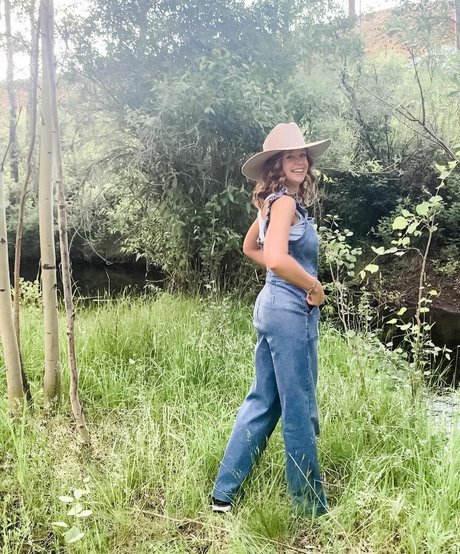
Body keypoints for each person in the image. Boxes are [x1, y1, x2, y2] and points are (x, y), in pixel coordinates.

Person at [211, 122, 331, 516]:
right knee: (299, 406)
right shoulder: (284, 205)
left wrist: (283, 277)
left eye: (302, 155)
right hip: (289, 312)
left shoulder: (272, 203)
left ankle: (223, 494)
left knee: (264, 400)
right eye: (290, 156)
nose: (300, 161)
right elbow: (275, 258)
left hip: (272, 306)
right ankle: (309, 507)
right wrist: (313, 285)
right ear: (276, 165)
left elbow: (250, 247)